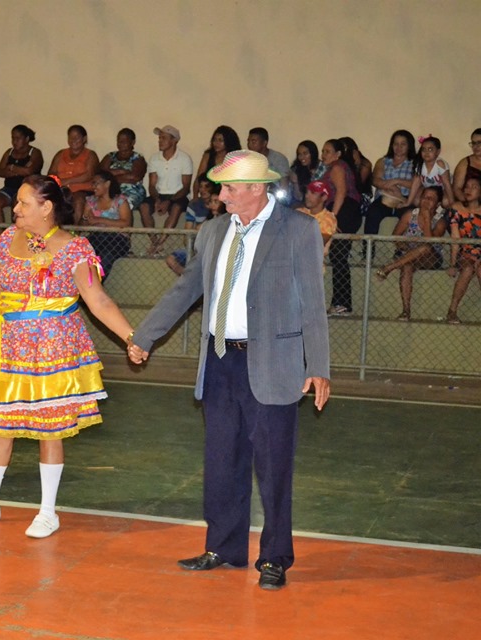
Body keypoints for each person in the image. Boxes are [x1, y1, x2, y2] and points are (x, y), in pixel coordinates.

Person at [127, 150, 330, 590]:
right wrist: (144, 335)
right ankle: (224, 545)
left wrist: (318, 366)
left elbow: (314, 302)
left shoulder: (298, 230)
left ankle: (275, 556)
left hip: (272, 364)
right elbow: (187, 289)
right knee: (221, 460)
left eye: (230, 188)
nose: (220, 197)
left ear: (257, 189)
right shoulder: (213, 231)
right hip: (219, 360)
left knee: (273, 467)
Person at [0, 174, 136, 538]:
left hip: (53, 350)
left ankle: (48, 512)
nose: (15, 209)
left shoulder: (74, 249)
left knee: (50, 429)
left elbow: (98, 300)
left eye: (23, 203)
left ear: (46, 207)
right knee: (0, 423)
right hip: (10, 349)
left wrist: (132, 337)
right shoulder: (7, 241)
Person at [374, 186, 446, 321]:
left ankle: (389, 267)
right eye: (425, 197)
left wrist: (426, 220)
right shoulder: (410, 215)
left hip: (430, 257)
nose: (426, 201)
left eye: (431, 199)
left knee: (425, 248)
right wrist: (407, 249)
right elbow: (396, 236)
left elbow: (430, 243)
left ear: (438, 204)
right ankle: (406, 311)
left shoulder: (440, 221)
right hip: (409, 255)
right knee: (407, 266)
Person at [320, 138, 363, 316]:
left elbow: (341, 192)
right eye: (323, 151)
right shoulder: (332, 167)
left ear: (338, 154)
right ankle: (341, 302)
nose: (323, 155)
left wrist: (333, 218)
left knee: (338, 256)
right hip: (341, 210)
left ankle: (342, 303)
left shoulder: (337, 166)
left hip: (344, 210)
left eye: (327, 151)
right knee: (338, 256)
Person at [141, 125, 193, 256]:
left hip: (178, 195)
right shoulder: (154, 158)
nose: (160, 141)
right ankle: (154, 242)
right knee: (143, 206)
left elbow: (186, 187)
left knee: (175, 209)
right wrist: (157, 199)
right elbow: (152, 185)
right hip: (159, 194)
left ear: (174, 140)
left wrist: (169, 201)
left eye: (164, 138)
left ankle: (160, 243)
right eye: (159, 138)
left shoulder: (184, 159)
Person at [80, 170, 133, 278]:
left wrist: (99, 220)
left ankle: (94, 288)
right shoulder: (91, 201)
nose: (93, 186)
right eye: (93, 183)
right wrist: (86, 218)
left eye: (96, 183)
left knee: (105, 257)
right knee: (83, 256)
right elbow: (83, 224)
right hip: (97, 236)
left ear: (107, 184)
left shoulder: (120, 201)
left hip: (117, 239)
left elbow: (126, 223)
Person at [364, 130, 417, 236]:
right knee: (372, 213)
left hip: (405, 199)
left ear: (409, 146)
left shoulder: (415, 163)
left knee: (409, 217)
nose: (399, 147)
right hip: (384, 197)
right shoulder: (383, 161)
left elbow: (417, 183)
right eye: (396, 144)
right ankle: (368, 250)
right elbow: (375, 180)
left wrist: (397, 181)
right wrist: (392, 188)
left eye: (403, 144)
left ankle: (401, 251)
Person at [445, 176, 481, 324]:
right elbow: (455, 239)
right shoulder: (456, 208)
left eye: (474, 187)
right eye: (466, 187)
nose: (468, 190)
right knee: (467, 269)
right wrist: (453, 264)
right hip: (466, 252)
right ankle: (452, 311)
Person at [0, 124, 44, 224]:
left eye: (18, 138)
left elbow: (29, 171)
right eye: (13, 138)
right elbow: (0, 171)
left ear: (27, 139)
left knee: (17, 201)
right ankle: (3, 237)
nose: (14, 141)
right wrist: (20, 171)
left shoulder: (34, 152)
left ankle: (16, 235)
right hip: (9, 188)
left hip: (27, 188)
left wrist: (11, 168)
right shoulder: (9, 152)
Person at [166, 187, 225, 276]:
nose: (212, 205)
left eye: (216, 202)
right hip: (200, 253)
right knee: (171, 259)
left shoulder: (227, 221)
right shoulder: (209, 221)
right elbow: (196, 231)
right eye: (211, 202)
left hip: (215, 255)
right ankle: (188, 277)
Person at [47, 124, 99, 224]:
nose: (73, 140)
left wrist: (66, 181)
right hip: (61, 189)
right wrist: (58, 182)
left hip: (82, 190)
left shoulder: (91, 155)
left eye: (77, 137)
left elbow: (89, 175)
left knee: (78, 199)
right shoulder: (60, 154)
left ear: (84, 139)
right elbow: (51, 173)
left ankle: (73, 231)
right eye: (70, 137)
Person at [100, 128, 148, 213]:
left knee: (121, 205)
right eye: (119, 141)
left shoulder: (138, 158)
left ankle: (122, 225)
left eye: (124, 141)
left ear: (132, 143)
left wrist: (112, 175)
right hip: (110, 191)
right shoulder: (110, 156)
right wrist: (123, 171)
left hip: (132, 191)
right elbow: (101, 175)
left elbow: (135, 177)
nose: (120, 144)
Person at [405, 135, 454, 208]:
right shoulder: (420, 165)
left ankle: (438, 209)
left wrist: (453, 203)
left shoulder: (440, 164)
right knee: (416, 201)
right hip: (427, 189)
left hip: (442, 189)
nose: (426, 152)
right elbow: (415, 184)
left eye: (430, 149)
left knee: (446, 201)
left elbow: (447, 184)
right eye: (424, 149)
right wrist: (408, 202)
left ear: (438, 151)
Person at [194, 125, 242, 199]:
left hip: (228, 197)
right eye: (215, 140)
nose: (216, 143)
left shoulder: (235, 158)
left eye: (220, 140)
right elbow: (199, 178)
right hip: (208, 196)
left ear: (228, 142)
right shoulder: (208, 156)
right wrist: (195, 197)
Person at [296, 181, 337, 258]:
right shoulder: (299, 212)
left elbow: (317, 243)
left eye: (313, 193)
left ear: (324, 197)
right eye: (307, 192)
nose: (307, 196)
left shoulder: (328, 218)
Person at [246, 127, 289, 198]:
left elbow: (284, 184)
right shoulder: (247, 159)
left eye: (253, 142)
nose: (249, 145)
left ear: (264, 143)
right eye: (248, 141)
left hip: (275, 196)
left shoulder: (278, 159)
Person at [452, 128, 481, 202]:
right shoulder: (465, 163)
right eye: (473, 143)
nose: (476, 146)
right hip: (467, 202)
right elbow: (456, 189)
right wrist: (468, 204)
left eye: (479, 142)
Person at [288, 140, 319, 205]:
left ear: (312, 153)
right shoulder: (296, 168)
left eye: (305, 153)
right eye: (299, 154)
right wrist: (295, 182)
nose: (302, 157)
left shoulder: (320, 167)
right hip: (300, 204)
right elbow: (298, 197)